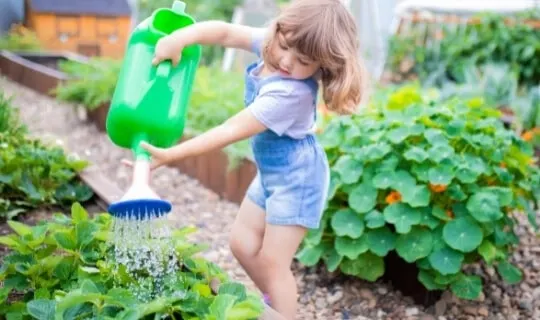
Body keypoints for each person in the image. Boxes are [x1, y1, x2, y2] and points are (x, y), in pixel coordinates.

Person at [124, 0, 368, 318]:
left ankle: (282, 311)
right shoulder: (273, 43)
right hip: (271, 173)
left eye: (304, 61)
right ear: (280, 29)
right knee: (241, 244)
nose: (286, 61)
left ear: (322, 65)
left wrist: (172, 154)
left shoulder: (291, 95)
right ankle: (274, 300)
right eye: (284, 46)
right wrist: (180, 38)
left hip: (298, 180)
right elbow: (224, 32)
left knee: (273, 262)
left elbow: (231, 130)